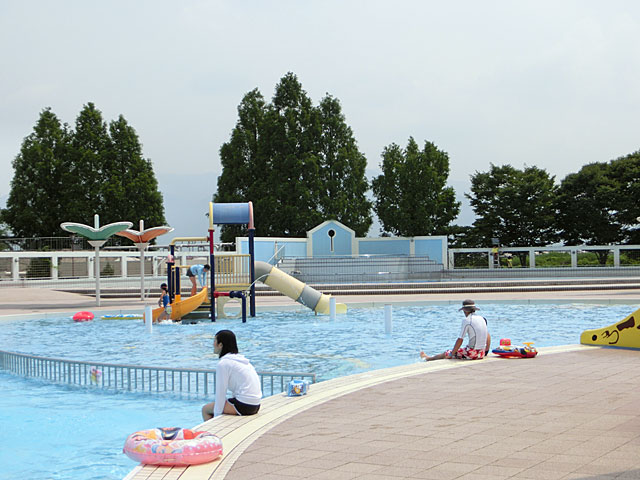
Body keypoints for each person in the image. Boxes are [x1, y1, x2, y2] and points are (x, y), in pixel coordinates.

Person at [201, 330, 261, 421]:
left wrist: (216, 417)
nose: (213, 344)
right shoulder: (241, 360)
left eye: (214, 341)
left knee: (205, 410)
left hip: (245, 405)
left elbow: (221, 393)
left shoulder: (224, 363)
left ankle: (212, 434)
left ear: (220, 345)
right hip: (256, 404)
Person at [420, 299, 491, 361]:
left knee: (447, 353)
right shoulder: (482, 318)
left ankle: (428, 358)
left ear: (465, 311)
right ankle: (429, 357)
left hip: (473, 354)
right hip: (482, 353)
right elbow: (486, 334)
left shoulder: (467, 320)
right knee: (464, 349)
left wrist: (451, 354)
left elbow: (460, 340)